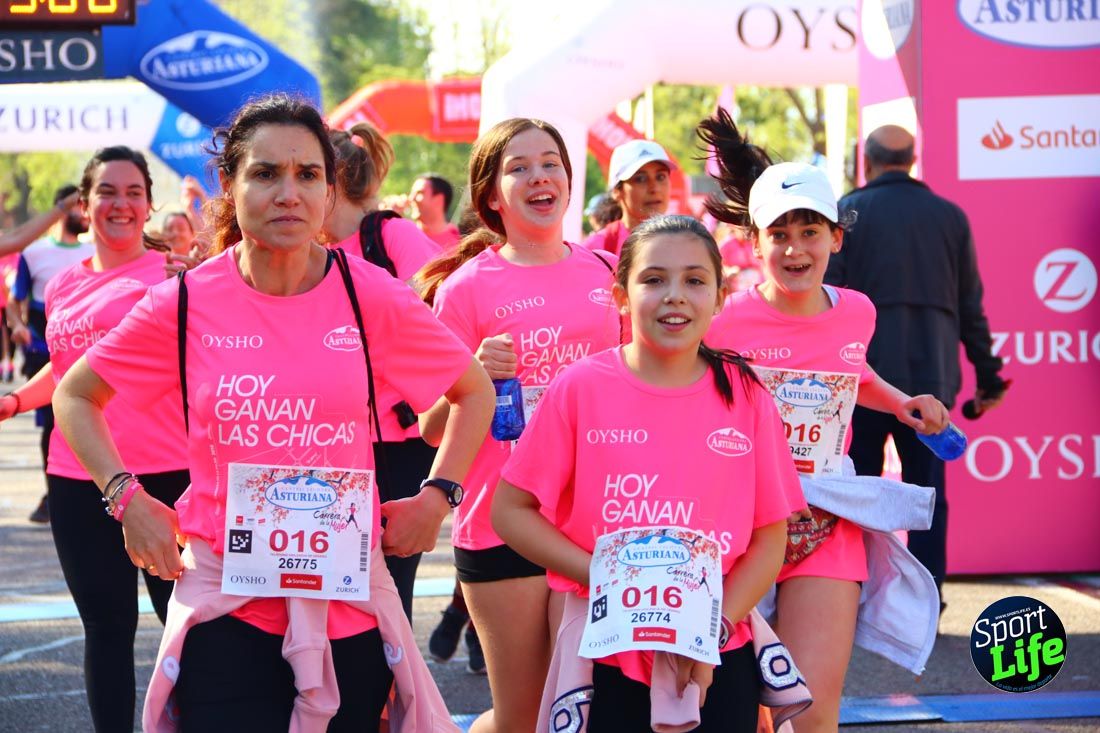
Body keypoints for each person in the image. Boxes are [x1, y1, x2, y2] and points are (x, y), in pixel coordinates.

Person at [52, 94, 494, 732]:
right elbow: (74, 395)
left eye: (307, 174)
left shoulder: (367, 293)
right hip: (225, 607)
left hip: (345, 602)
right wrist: (128, 499)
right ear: (229, 185)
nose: (288, 193)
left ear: (329, 190)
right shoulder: (184, 301)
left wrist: (438, 496)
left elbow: (473, 390)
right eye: (265, 174)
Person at [493, 214, 801, 732]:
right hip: (605, 650)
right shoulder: (579, 388)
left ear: (720, 297)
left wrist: (712, 630)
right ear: (620, 297)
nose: (674, 296)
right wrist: (606, 576)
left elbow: (770, 537)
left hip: (716, 653)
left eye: (695, 280)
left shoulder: (747, 395)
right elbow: (510, 511)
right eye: (654, 279)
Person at [700, 111, 949, 733]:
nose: (794, 249)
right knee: (748, 713)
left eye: (810, 231)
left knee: (808, 711)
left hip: (825, 519)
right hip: (741, 523)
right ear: (754, 243)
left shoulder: (856, 311)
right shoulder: (723, 321)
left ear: (836, 239)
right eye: (779, 234)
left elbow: (850, 374)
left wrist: (901, 403)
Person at [417, 117, 621, 733]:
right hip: (500, 522)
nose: (539, 177)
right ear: (492, 194)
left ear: (568, 178)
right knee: (525, 717)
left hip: (598, 519)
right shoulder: (466, 289)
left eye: (550, 163)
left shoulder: (608, 272)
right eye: (519, 167)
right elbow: (431, 428)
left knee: (588, 708)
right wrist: (476, 377)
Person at [0, 146, 189, 733]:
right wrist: (13, 401)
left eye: (134, 192)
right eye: (107, 191)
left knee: (188, 629)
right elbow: (67, 370)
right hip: (77, 478)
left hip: (165, 478)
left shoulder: (175, 277)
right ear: (84, 204)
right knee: (106, 629)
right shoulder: (63, 284)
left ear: (149, 205)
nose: (121, 204)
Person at [825, 125, 1008, 594]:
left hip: (862, 380)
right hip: (932, 380)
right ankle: (928, 599)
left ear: (867, 162)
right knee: (928, 495)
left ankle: (853, 594)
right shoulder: (950, 217)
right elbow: (970, 306)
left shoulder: (848, 213)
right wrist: (988, 376)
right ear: (911, 160)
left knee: (856, 491)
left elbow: (828, 300)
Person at [322, 121, 445, 620]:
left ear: (331, 181)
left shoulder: (391, 234)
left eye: (306, 175)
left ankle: (394, 671)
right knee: (333, 583)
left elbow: (442, 309)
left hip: (397, 440)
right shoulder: (306, 247)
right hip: (329, 436)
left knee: (389, 585)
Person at [6, 184, 91, 524]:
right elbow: (14, 299)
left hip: (91, 353)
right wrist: (17, 325)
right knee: (56, 424)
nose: (83, 213)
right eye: (77, 206)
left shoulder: (96, 252)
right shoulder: (34, 253)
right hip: (45, 353)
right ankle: (55, 494)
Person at [582, 139, 674, 256]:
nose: (654, 188)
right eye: (641, 179)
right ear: (616, 191)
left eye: (660, 177)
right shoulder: (593, 251)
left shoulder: (687, 244)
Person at [409, 174, 461, 249]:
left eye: (420, 193)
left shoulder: (460, 243)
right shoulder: (404, 236)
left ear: (439, 199)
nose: (411, 198)